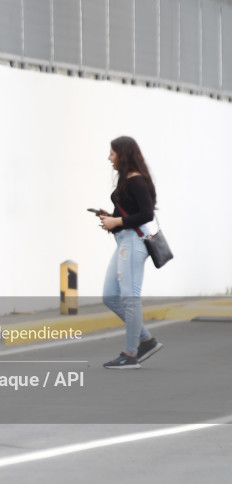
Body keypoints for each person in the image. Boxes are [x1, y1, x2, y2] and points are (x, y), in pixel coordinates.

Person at [95, 136, 164, 369]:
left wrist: (116, 221)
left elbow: (146, 214)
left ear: (122, 155)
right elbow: (127, 213)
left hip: (134, 243)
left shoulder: (136, 180)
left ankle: (130, 354)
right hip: (124, 241)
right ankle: (146, 340)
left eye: (112, 153)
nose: (109, 158)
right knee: (110, 296)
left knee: (129, 297)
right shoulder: (127, 180)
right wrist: (110, 217)